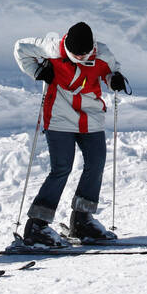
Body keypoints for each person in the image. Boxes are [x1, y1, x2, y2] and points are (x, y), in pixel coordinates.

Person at [13, 21, 129, 247]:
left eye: (85, 53)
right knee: (62, 168)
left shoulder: (102, 53)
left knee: (96, 162)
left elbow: (110, 71)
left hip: (90, 115)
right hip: (59, 116)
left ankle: (82, 220)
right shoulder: (52, 48)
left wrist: (114, 80)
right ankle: (37, 225)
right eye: (77, 53)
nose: (82, 57)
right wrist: (37, 71)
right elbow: (20, 48)